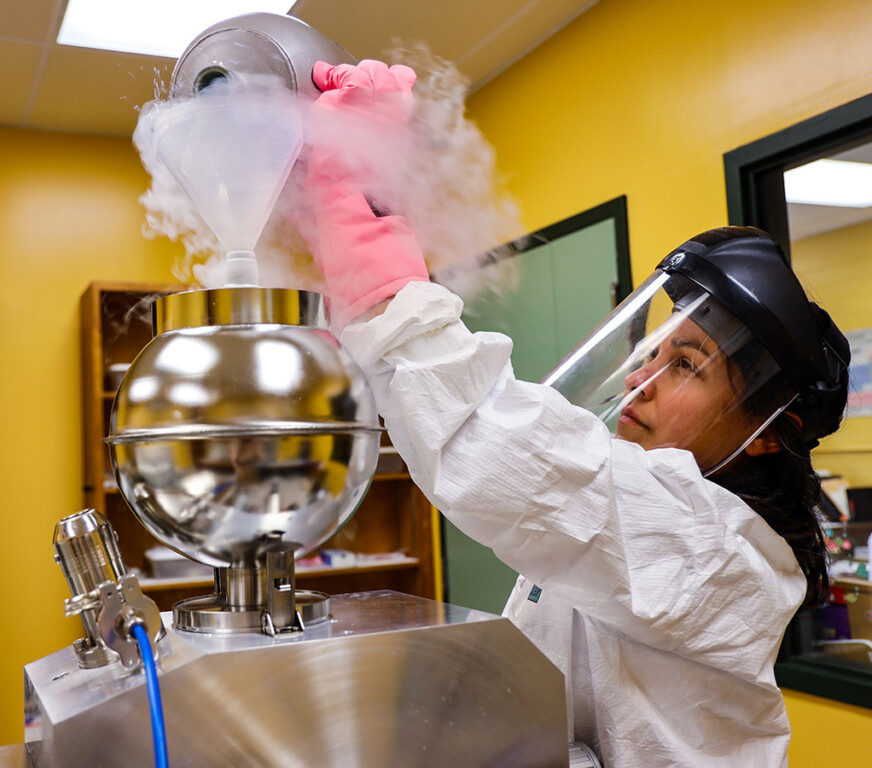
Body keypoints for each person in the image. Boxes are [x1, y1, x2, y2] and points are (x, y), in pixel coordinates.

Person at [300, 60, 851, 767]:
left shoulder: (721, 554)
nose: (643, 380)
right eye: (655, 352)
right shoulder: (641, 504)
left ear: (770, 436)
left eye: (687, 365)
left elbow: (495, 452)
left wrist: (381, 286)